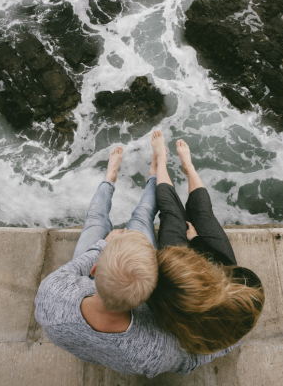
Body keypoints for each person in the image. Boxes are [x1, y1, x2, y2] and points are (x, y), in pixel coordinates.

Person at [35, 146, 238, 378]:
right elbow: (190, 359)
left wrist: (103, 245)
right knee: (141, 215)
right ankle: (153, 174)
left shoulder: (51, 293)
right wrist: (233, 338)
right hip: (118, 292)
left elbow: (73, 269)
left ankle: (110, 177)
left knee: (95, 222)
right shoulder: (154, 349)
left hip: (91, 291)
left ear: (94, 268)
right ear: (150, 296)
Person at [147, 130, 265, 355]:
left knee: (171, 214)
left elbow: (157, 299)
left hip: (185, 286)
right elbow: (223, 265)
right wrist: (197, 241)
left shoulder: (173, 304)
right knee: (203, 213)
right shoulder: (247, 291)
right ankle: (188, 167)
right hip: (224, 267)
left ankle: (161, 161)